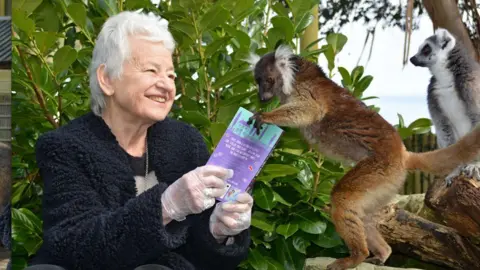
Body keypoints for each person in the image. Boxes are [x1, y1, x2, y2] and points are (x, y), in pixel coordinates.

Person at [26, 11, 253, 270]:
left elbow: (198, 257)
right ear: (107, 79)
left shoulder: (186, 142)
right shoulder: (64, 146)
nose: (166, 85)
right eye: (151, 70)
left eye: (170, 75)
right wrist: (166, 206)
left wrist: (218, 231)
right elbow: (74, 245)